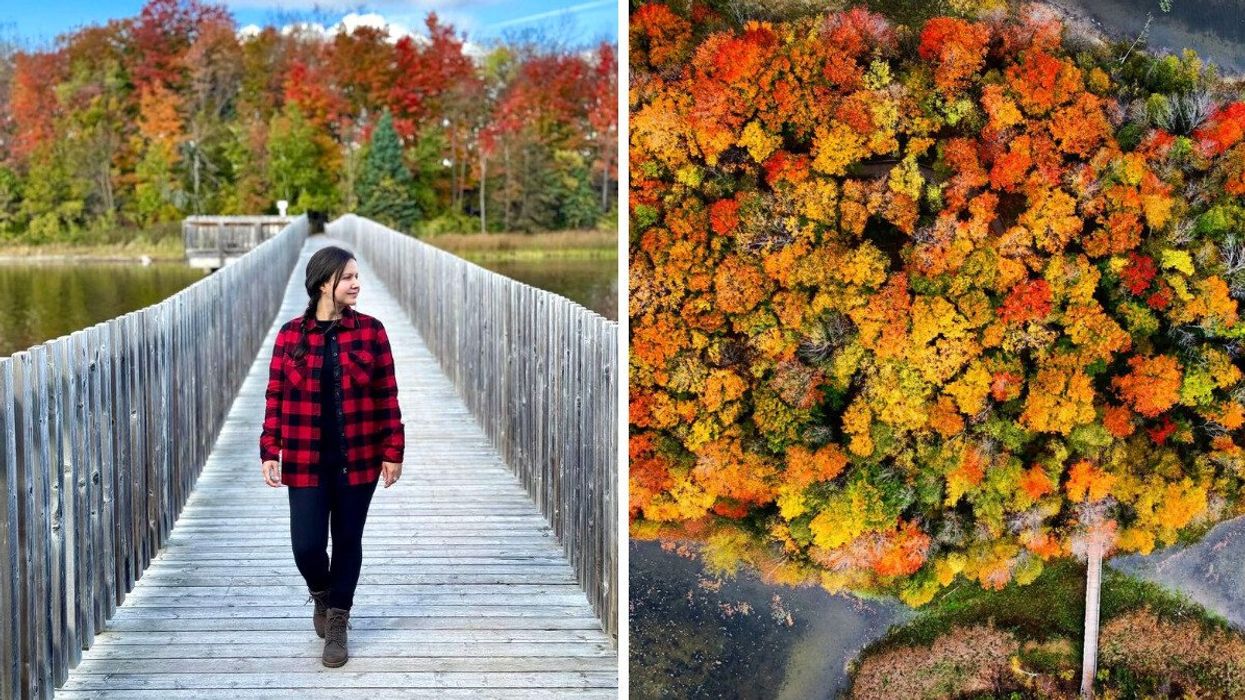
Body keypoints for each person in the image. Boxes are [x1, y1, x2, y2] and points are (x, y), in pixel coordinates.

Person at [258, 245, 405, 668]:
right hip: (305, 458)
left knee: (347, 541)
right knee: (306, 546)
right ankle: (322, 595)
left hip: (358, 457)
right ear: (325, 283)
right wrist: (270, 448)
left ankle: (338, 619)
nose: (357, 284)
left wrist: (393, 450)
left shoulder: (372, 332)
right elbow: (275, 395)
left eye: (357, 276)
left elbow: (387, 395)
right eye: (348, 277)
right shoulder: (289, 335)